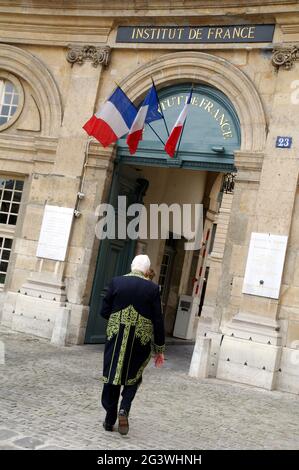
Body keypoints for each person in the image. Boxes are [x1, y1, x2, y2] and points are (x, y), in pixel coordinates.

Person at [100, 254, 165, 435]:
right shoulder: (152, 289)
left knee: (112, 376)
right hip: (139, 341)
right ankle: (124, 409)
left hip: (116, 337)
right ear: (146, 271)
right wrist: (159, 349)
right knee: (133, 377)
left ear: (131, 266)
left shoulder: (116, 282)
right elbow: (158, 321)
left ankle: (109, 418)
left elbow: (104, 311)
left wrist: (116, 320)